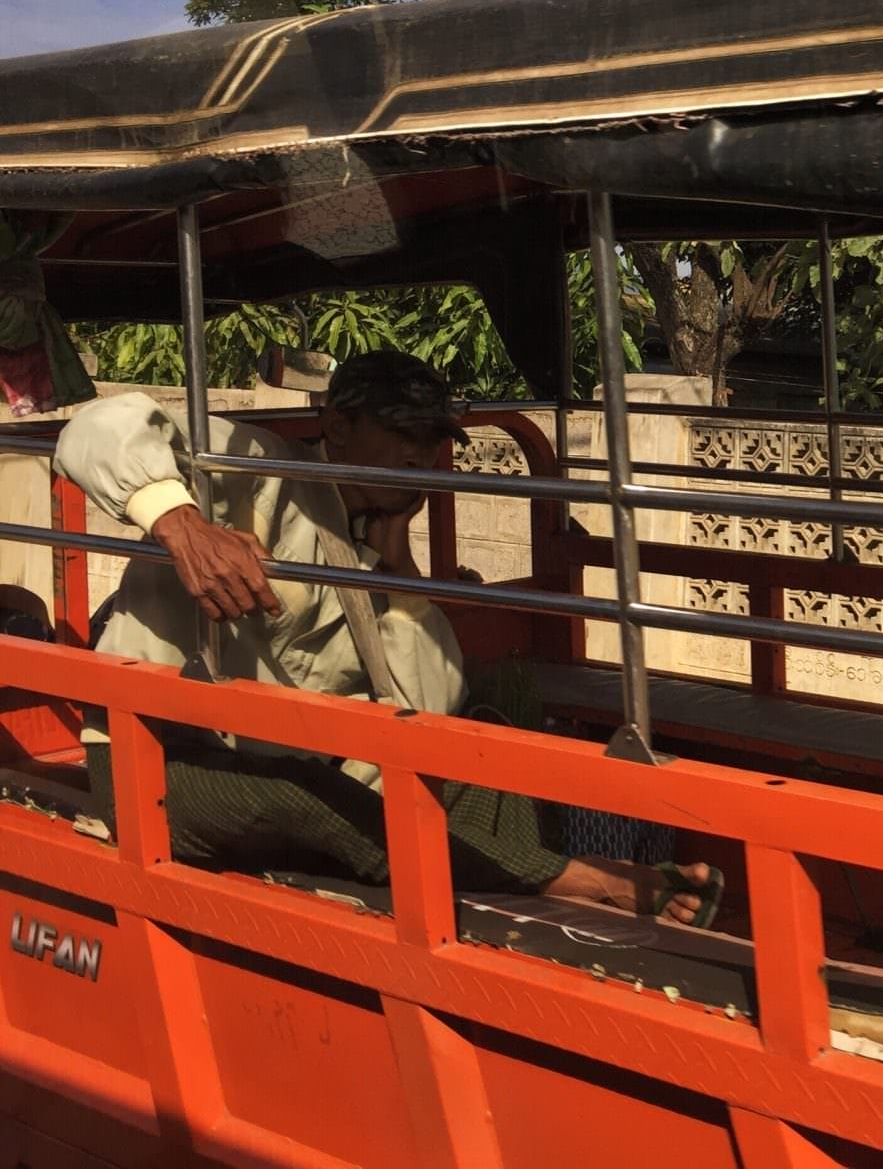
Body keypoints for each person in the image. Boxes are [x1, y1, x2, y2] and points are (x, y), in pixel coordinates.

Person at [55, 350, 716, 926]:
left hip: (294, 756)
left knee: (480, 742)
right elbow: (95, 428)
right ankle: (582, 880)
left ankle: (519, 898)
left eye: (429, 440)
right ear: (338, 428)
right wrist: (180, 524)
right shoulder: (257, 470)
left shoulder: (370, 541)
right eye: (401, 433)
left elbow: (429, 705)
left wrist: (398, 567)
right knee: (307, 797)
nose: (419, 456)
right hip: (159, 759)